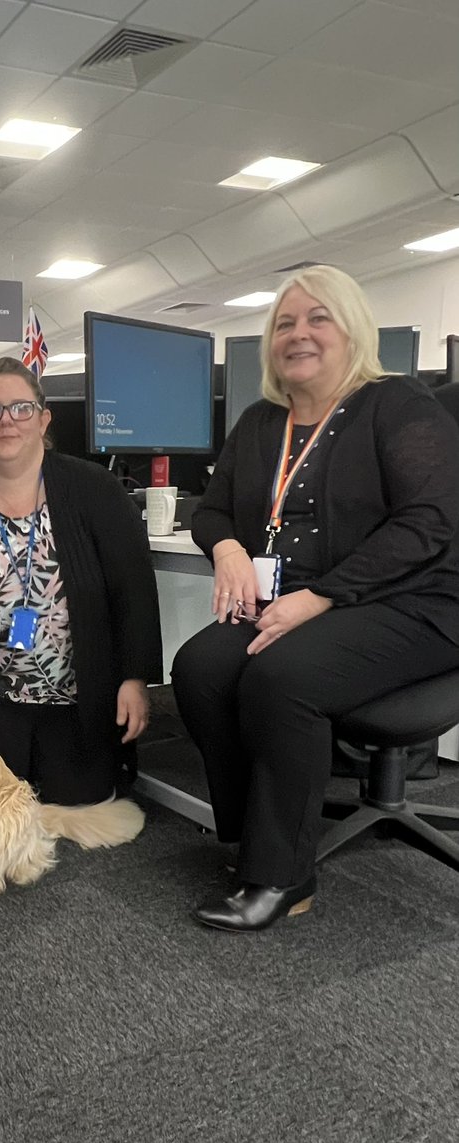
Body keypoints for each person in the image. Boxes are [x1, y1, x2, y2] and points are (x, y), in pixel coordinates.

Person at [172, 265, 459, 932]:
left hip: (412, 603)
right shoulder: (261, 421)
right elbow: (210, 512)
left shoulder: (398, 405)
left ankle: (282, 877)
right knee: (201, 669)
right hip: (301, 601)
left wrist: (323, 597)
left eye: (317, 318)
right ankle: (255, 841)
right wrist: (229, 549)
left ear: (351, 328)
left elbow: (430, 523)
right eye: (285, 323)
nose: (298, 333)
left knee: (283, 677)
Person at [0, 357, 162, 808]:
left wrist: (135, 678)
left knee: (82, 805)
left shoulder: (96, 491)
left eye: (21, 408)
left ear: (43, 418)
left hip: (80, 701)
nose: (7, 420)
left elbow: (133, 589)